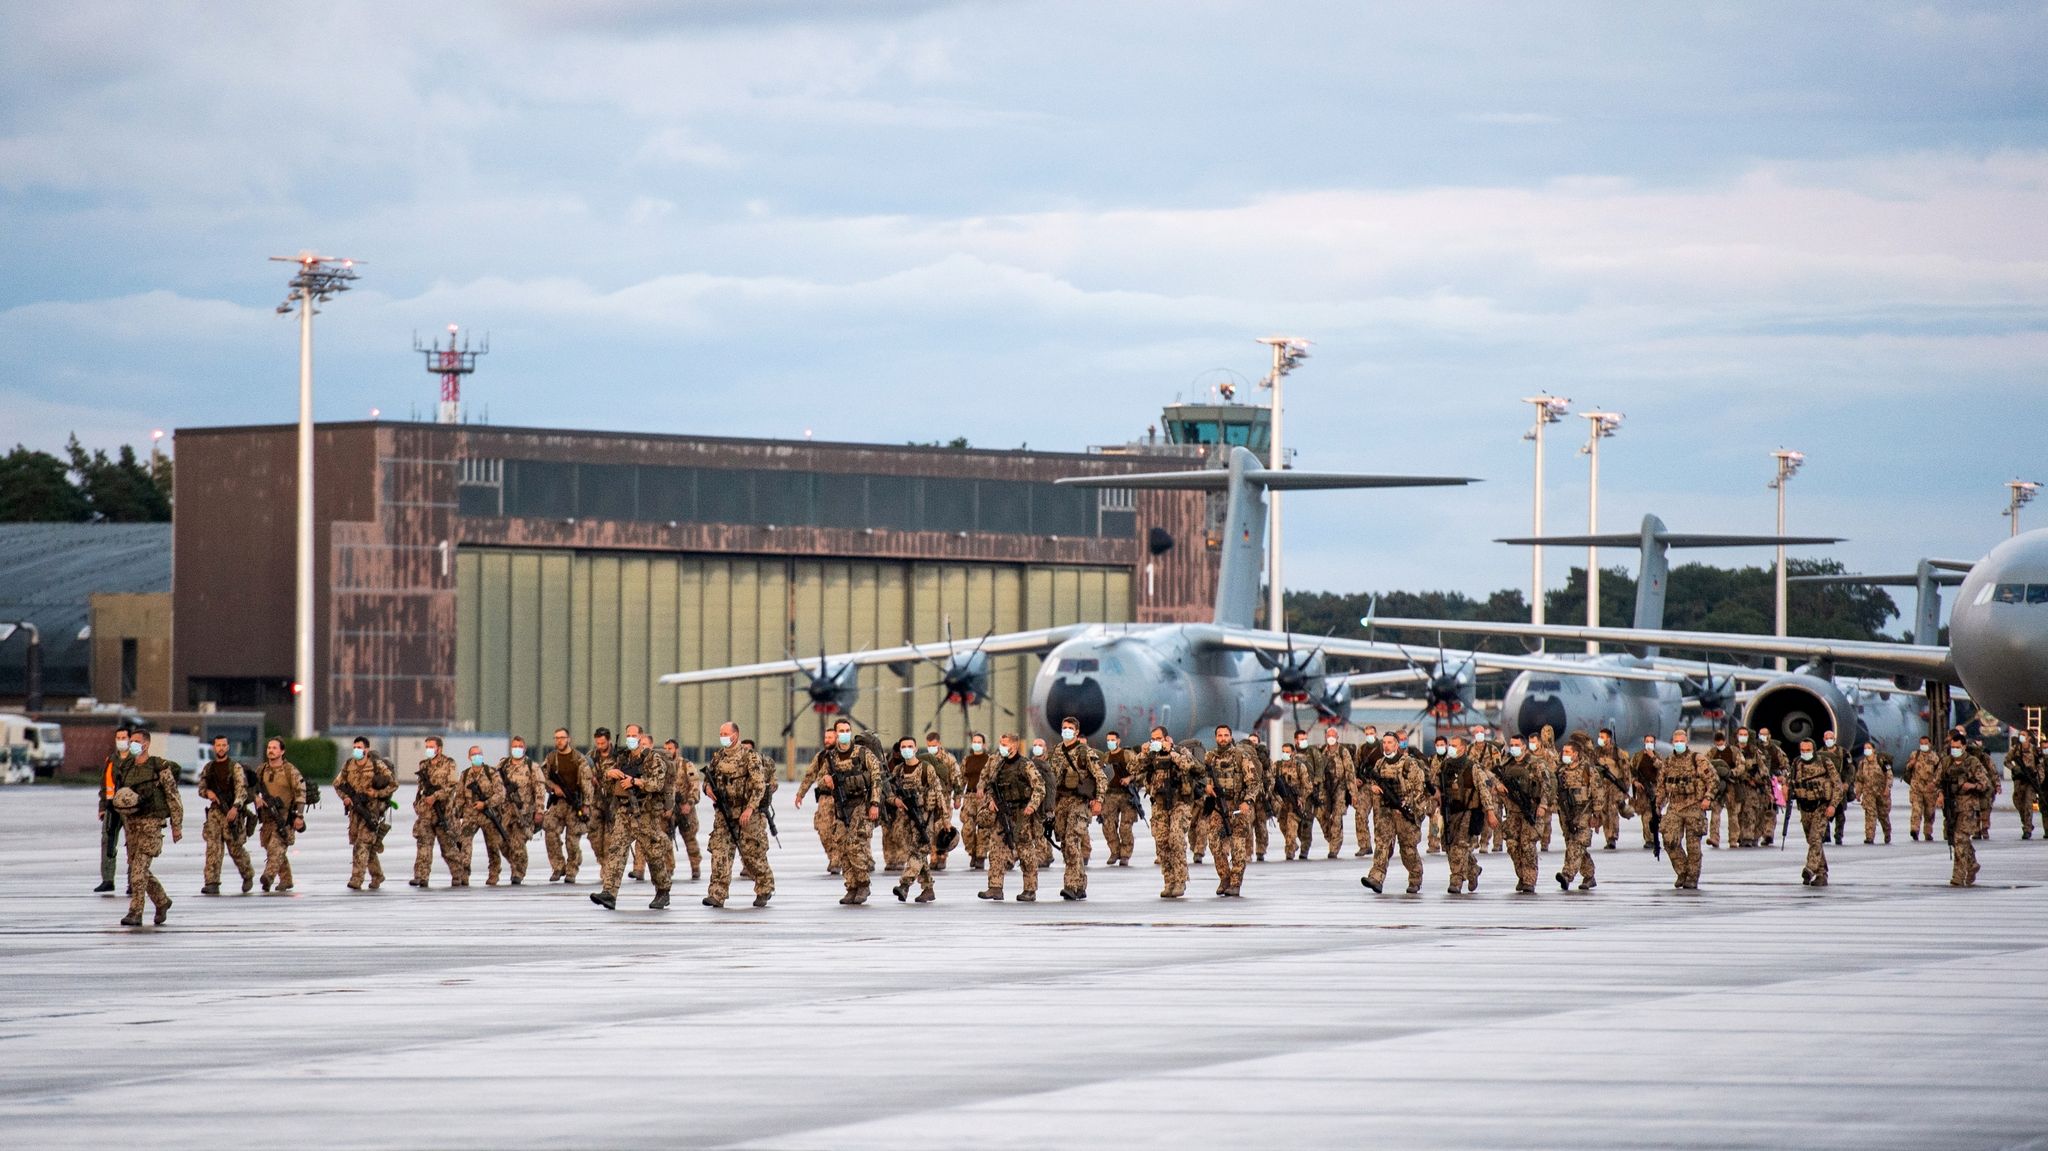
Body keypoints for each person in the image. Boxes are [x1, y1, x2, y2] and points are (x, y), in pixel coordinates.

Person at [591, 726, 674, 911]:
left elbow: (657, 784)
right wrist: (608, 774)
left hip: (645, 814)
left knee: (653, 854)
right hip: (624, 812)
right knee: (616, 850)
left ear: (641, 737)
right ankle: (609, 893)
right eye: (628, 735)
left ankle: (663, 890)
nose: (630, 739)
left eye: (633, 736)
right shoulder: (622, 758)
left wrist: (636, 782)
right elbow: (609, 787)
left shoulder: (653, 758)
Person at [807, 718, 883, 906]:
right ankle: (851, 886)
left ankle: (863, 883)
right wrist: (827, 780)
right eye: (840, 730)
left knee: (855, 845)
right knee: (842, 847)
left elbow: (876, 778)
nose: (844, 733)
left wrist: (874, 804)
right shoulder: (830, 757)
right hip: (841, 806)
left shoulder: (862, 753)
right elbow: (820, 778)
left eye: (847, 730)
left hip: (861, 805)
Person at [111, 730, 182, 926]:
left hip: (151, 824)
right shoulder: (126, 768)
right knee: (137, 870)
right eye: (130, 741)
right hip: (132, 825)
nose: (131, 744)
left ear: (146, 745)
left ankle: (135, 912)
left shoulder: (159, 767)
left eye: (136, 741)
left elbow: (173, 796)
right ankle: (162, 901)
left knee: (139, 870)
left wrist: (177, 825)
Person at [702, 722, 772, 908]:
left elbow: (759, 786)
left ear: (736, 735)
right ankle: (717, 894)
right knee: (719, 853)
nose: (723, 736)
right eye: (721, 733)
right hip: (724, 813)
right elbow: (707, 778)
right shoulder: (718, 757)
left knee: (752, 854)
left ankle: (764, 887)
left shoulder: (750, 757)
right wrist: (707, 788)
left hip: (746, 813)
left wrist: (750, 809)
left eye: (726, 733)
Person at [978, 732, 1045, 902]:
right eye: (1001, 743)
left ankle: (1029, 889)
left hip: (1021, 812)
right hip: (1002, 811)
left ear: (1014, 746)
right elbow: (990, 785)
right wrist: (990, 800)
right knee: (996, 849)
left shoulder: (1025, 765)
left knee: (1025, 851)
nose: (1001, 746)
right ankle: (995, 887)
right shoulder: (998, 764)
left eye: (1005, 744)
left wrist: (1032, 805)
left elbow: (1039, 787)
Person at [1360, 731, 1428, 895]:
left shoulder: (1409, 764)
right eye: (1384, 742)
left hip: (1405, 812)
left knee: (1407, 849)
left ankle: (1415, 879)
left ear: (1397, 745)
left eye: (1390, 742)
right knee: (1382, 844)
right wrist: (1373, 787)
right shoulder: (1380, 764)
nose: (1386, 745)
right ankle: (1376, 878)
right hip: (1385, 812)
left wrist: (1409, 807)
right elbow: (1372, 781)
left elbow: (1420, 789)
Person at [1140, 727, 1203, 898]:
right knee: (1162, 843)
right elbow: (1133, 768)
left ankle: (1180, 880)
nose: (1156, 741)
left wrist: (1171, 752)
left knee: (1175, 839)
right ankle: (1169, 881)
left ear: (1167, 738)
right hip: (1159, 804)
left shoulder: (1180, 751)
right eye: (1153, 738)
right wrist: (1143, 753)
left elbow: (1192, 766)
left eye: (1159, 738)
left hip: (1179, 803)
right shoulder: (1151, 756)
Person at [1048, 718, 1106, 899]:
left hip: (1079, 802)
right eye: (1064, 727)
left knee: (1072, 843)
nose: (1066, 731)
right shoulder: (1056, 751)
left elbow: (1101, 778)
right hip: (1061, 803)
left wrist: (1099, 800)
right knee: (1065, 845)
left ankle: (1071, 886)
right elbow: (1050, 780)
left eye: (1070, 728)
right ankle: (1080, 883)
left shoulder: (1085, 753)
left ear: (1077, 731)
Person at [886, 735, 946, 903]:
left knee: (918, 852)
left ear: (915, 748)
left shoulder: (926, 769)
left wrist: (945, 820)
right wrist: (895, 801)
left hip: (924, 819)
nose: (906, 749)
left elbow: (938, 793)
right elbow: (889, 793)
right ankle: (928, 888)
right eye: (903, 746)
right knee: (918, 854)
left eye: (909, 746)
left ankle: (904, 885)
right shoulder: (898, 771)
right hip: (906, 820)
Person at [1203, 725, 1261, 897]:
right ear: (1215, 738)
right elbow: (1200, 775)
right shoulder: (1210, 757)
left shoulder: (1241, 757)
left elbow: (1254, 783)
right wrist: (1206, 785)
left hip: (1238, 807)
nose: (1223, 738)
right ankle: (1225, 877)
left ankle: (1235, 883)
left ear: (1230, 737)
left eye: (1226, 735)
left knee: (1238, 847)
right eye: (1219, 735)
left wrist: (1247, 802)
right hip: (1218, 807)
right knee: (1214, 843)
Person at [336, 737, 399, 891]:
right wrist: (345, 798)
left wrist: (377, 793)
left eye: (360, 747)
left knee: (361, 845)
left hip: (372, 811)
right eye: (355, 747)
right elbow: (337, 784)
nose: (357, 750)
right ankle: (377, 875)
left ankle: (356, 879)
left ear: (367, 749)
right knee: (367, 847)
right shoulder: (349, 765)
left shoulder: (377, 765)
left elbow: (393, 784)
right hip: (355, 812)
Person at [195, 734, 254, 895]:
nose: (220, 748)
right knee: (213, 847)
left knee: (235, 848)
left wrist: (235, 808)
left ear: (228, 747)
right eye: (218, 745)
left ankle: (248, 874)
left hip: (232, 811)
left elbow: (241, 790)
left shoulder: (234, 767)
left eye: (223, 745)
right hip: (215, 812)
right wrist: (208, 793)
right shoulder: (209, 768)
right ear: (214, 747)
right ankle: (212, 882)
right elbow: (201, 788)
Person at [1438, 736, 1497, 894]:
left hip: (1468, 812)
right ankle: (1473, 869)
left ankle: (1456, 880)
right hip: (1450, 812)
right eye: (1450, 745)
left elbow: (1484, 791)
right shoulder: (1445, 766)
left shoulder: (1473, 767)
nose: (1450, 748)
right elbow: (1437, 786)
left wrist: (1490, 812)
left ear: (1463, 748)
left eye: (1454, 745)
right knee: (1449, 845)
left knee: (1460, 845)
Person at [1658, 730, 1716, 890]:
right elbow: (1661, 786)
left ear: (1686, 741)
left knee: (1693, 845)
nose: (1678, 743)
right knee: (1669, 841)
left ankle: (1692, 877)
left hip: (1694, 806)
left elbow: (1713, 779)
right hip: (1675, 805)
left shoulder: (1697, 759)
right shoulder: (1668, 761)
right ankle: (1682, 871)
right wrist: (1657, 805)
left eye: (1681, 740)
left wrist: (1708, 797)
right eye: (1676, 740)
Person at [1493, 734, 1550, 892]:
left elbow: (1547, 785)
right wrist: (1498, 785)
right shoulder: (1507, 764)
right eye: (1512, 744)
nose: (1514, 747)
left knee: (1527, 845)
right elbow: (1492, 777)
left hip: (1530, 810)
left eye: (1517, 744)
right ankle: (1522, 875)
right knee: (1512, 845)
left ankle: (1529, 880)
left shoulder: (1536, 764)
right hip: (1512, 812)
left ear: (1524, 747)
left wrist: (1543, 806)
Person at [411, 735, 468, 888]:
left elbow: (452, 786)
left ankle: (458, 875)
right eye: (427, 747)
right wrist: (418, 805)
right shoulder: (423, 765)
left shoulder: (449, 764)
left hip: (444, 812)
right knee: (423, 845)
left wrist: (435, 796)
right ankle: (421, 877)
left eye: (431, 747)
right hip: (426, 813)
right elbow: (420, 789)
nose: (428, 750)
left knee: (448, 848)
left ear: (439, 748)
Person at [540, 728, 593, 884]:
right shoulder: (551, 758)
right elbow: (544, 777)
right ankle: (558, 867)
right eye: (556, 738)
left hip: (574, 802)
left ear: (568, 739)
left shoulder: (578, 758)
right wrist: (553, 787)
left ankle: (571, 870)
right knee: (549, 830)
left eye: (562, 738)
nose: (559, 741)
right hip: (558, 802)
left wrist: (586, 804)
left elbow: (586, 783)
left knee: (572, 839)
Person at [255, 737, 307, 893]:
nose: (271, 750)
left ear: (282, 751)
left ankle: (268, 877)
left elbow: (300, 792)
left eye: (274, 748)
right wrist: (256, 797)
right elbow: (249, 786)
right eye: (269, 747)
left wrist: (299, 816)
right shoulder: (262, 770)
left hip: (284, 819)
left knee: (275, 848)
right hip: (267, 818)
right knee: (271, 848)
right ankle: (286, 880)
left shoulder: (290, 770)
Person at [1789, 738, 1844, 886]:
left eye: (1808, 750)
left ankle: (1810, 868)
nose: (1805, 753)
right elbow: (1791, 782)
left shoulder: (1825, 763)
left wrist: (1833, 805)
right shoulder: (1796, 764)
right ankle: (1822, 874)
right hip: (1805, 807)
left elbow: (1837, 786)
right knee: (1813, 841)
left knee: (1815, 838)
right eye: (1803, 750)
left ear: (1813, 749)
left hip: (1822, 806)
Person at [1942, 733, 1994, 886]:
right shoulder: (1946, 762)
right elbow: (1937, 781)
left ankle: (1958, 876)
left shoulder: (1973, 763)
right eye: (1952, 747)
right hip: (1952, 807)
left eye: (1957, 747)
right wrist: (1939, 795)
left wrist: (1971, 786)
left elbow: (1986, 784)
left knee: (1960, 839)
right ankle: (1972, 864)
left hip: (1968, 807)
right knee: (1958, 840)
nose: (1954, 750)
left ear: (1964, 747)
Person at [795, 731, 847, 875]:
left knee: (840, 830)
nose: (827, 740)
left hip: (841, 797)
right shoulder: (821, 756)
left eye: (830, 737)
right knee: (823, 829)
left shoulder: (846, 755)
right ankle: (833, 857)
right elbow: (809, 775)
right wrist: (800, 794)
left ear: (837, 738)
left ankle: (837, 860)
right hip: (825, 799)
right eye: (825, 737)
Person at [461, 744, 514, 886]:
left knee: (492, 845)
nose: (476, 757)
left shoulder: (491, 773)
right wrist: (457, 814)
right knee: (464, 842)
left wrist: (485, 804)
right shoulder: (465, 775)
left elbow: (501, 794)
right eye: (473, 754)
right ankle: (464, 874)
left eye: (479, 754)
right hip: (470, 815)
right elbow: (459, 797)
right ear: (469, 757)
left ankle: (494, 873)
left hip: (488, 815)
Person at [1554, 740, 1597, 891]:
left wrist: (1596, 814)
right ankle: (1589, 876)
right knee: (1574, 845)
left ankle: (1567, 875)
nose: (1564, 755)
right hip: (1566, 814)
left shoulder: (1587, 770)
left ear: (1576, 754)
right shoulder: (1560, 772)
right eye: (1563, 752)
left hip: (1583, 812)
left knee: (1577, 844)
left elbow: (1598, 793)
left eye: (1567, 752)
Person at [95, 724, 132, 894]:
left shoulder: (136, 760)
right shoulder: (110, 761)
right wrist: (102, 807)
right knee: (108, 842)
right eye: (118, 738)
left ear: (130, 739)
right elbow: (105, 785)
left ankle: (133, 880)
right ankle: (108, 879)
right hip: (111, 808)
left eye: (124, 738)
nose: (121, 741)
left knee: (133, 844)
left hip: (131, 809)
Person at [663, 738, 704, 882]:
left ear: (676, 749)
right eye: (666, 748)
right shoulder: (662, 766)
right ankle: (668, 868)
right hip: (669, 809)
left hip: (686, 808)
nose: (668, 751)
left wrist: (689, 803)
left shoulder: (686, 765)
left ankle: (695, 867)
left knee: (690, 839)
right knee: (666, 839)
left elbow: (694, 785)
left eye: (670, 748)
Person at [1098, 731, 1141, 867]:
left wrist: (1129, 778)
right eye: (1108, 740)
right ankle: (1115, 851)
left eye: (1112, 740)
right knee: (1107, 825)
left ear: (1118, 741)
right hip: (1110, 794)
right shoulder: (1106, 757)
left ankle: (1125, 854)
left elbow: (1139, 771)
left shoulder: (1127, 755)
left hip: (1127, 795)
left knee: (1125, 827)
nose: (1110, 742)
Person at [958, 732, 994, 869]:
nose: (976, 744)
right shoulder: (967, 760)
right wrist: (957, 796)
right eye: (974, 741)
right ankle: (972, 852)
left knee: (984, 828)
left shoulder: (989, 760)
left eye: (979, 742)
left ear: (984, 744)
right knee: (967, 828)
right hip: (970, 797)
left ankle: (980, 856)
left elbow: (992, 779)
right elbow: (962, 779)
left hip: (984, 797)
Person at [1854, 741, 1894, 845]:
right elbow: (1859, 779)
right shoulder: (1862, 763)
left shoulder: (1881, 761)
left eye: (1869, 748)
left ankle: (1887, 833)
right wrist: (1858, 793)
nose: (1867, 750)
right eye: (1865, 748)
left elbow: (1889, 775)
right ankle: (1869, 837)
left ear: (1874, 749)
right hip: (1868, 793)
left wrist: (1887, 789)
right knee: (1870, 814)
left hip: (1881, 792)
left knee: (1883, 815)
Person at [1905, 735, 1943, 841]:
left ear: (1930, 744)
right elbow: (1907, 768)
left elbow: (1939, 772)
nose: (1923, 746)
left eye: (1925, 743)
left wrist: (1934, 783)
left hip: (1930, 789)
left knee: (1929, 812)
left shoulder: (1935, 757)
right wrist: (1910, 764)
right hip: (1916, 787)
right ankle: (1914, 830)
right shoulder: (1914, 755)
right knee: (1916, 809)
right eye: (1921, 743)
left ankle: (1928, 832)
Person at [2005, 730, 2040, 840]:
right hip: (2019, 781)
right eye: (2020, 735)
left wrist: (2038, 778)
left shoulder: (2034, 750)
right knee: (2019, 803)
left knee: (2028, 804)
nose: (2021, 737)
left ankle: (2027, 829)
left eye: (2024, 735)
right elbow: (2007, 761)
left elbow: (2040, 765)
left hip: (2030, 781)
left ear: (2029, 738)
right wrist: (2015, 769)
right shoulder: (2015, 749)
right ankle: (2026, 822)